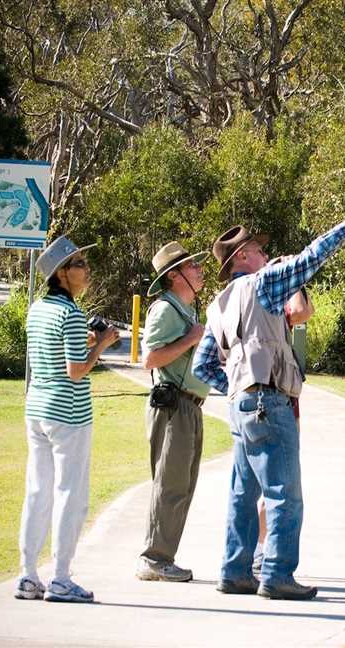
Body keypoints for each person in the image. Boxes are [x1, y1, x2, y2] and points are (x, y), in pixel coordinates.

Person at [193, 197, 345, 600]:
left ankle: (235, 571)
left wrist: (237, 387)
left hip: (241, 407)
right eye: (261, 249)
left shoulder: (218, 304)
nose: (267, 254)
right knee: (285, 493)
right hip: (270, 402)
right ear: (245, 255)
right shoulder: (263, 283)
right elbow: (311, 257)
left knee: (242, 493)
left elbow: (203, 366)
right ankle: (278, 575)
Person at [16, 236, 120, 603]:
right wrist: (103, 344)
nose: (85, 270)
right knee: (70, 495)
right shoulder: (71, 314)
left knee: (37, 491)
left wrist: (89, 341)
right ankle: (61, 577)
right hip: (69, 414)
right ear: (62, 274)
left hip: (37, 408)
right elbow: (76, 370)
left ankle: (28, 575)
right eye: (79, 264)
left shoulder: (37, 310)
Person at [136, 241, 209, 582]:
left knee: (182, 485)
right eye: (192, 267)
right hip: (173, 407)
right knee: (170, 484)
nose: (199, 270)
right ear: (176, 276)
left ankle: (163, 557)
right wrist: (192, 339)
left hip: (189, 407)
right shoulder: (165, 309)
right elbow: (150, 359)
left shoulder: (186, 310)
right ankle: (154, 559)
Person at [253, 284, 313, 574]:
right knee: (276, 482)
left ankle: (259, 551)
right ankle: (262, 552)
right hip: (272, 400)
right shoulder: (266, 304)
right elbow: (300, 312)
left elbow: (305, 312)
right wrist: (294, 278)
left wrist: (296, 282)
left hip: (284, 399)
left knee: (272, 481)